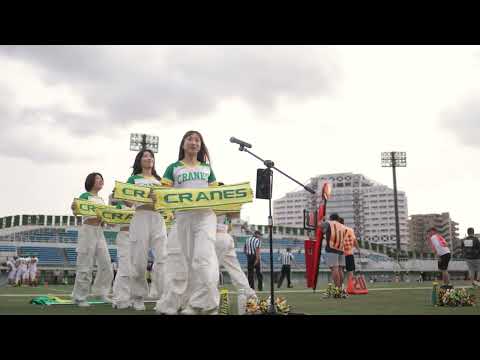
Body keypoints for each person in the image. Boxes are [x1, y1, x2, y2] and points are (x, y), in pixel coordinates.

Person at [156, 130, 219, 315]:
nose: (193, 142)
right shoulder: (173, 167)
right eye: (190, 139)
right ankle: (176, 303)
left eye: (197, 140)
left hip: (205, 217)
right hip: (183, 218)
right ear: (183, 144)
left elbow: (216, 195)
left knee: (202, 259)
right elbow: (163, 192)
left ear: (201, 145)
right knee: (180, 262)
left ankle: (202, 304)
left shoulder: (207, 169)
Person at [124, 149, 168, 311]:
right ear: (139, 160)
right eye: (145, 156)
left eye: (151, 156)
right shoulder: (133, 178)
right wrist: (123, 196)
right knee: (139, 259)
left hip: (158, 218)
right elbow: (128, 202)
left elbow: (167, 200)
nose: (149, 158)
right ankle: (137, 296)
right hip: (140, 216)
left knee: (163, 258)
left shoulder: (160, 180)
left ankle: (163, 295)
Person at [71, 172, 114, 307]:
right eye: (97, 179)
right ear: (91, 181)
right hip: (87, 230)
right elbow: (76, 210)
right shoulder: (85, 196)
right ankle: (80, 297)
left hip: (99, 232)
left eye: (102, 179)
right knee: (85, 265)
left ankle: (101, 292)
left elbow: (105, 218)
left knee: (106, 264)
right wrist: (74, 207)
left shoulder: (101, 200)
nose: (101, 181)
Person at [215, 209, 257, 300]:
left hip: (214, 234)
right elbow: (235, 215)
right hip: (225, 234)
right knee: (235, 269)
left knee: (209, 269)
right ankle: (250, 295)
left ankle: (208, 300)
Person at [321, 213, 346, 289]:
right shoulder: (342, 226)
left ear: (331, 218)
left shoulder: (329, 223)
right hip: (341, 249)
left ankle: (337, 289)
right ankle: (341, 288)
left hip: (332, 248)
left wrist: (322, 219)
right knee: (340, 269)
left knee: (334, 268)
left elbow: (320, 226)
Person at [339, 217, 359, 283]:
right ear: (343, 222)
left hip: (340, 253)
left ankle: (341, 287)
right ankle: (351, 286)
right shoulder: (350, 230)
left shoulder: (337, 230)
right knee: (350, 271)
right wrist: (358, 249)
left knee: (340, 270)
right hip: (349, 253)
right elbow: (355, 240)